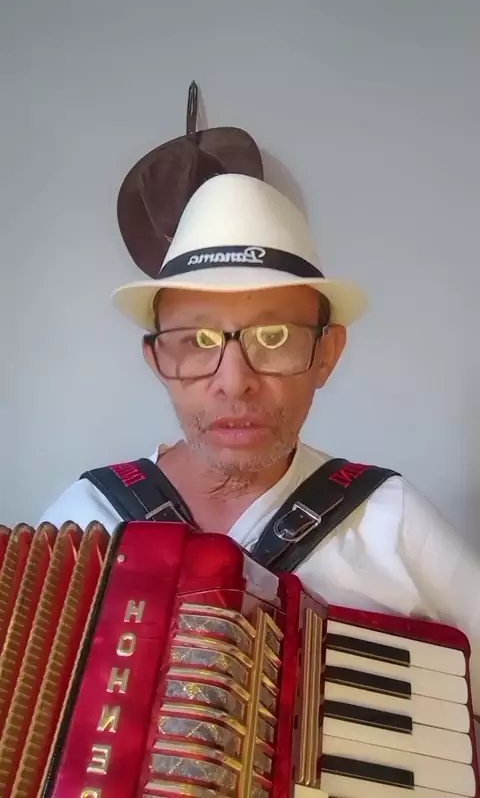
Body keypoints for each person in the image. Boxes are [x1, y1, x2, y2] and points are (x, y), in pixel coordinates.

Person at [39, 170, 480, 720]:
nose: (234, 382)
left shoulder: (391, 520)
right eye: (198, 340)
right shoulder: (85, 521)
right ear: (157, 361)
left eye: (274, 338)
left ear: (326, 355)